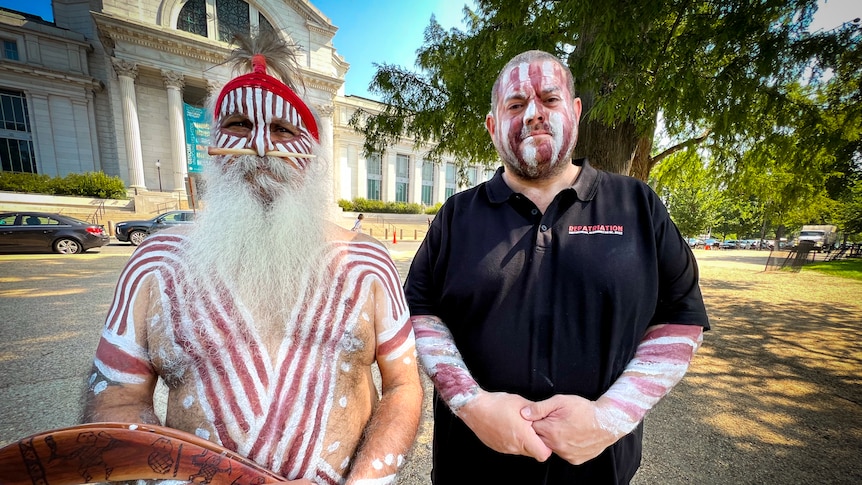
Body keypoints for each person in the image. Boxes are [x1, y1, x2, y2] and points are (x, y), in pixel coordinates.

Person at [83, 29, 422, 485]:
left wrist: (365, 483)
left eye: (284, 129)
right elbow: (118, 396)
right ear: (211, 143)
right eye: (239, 125)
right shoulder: (156, 262)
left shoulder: (367, 263)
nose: (261, 147)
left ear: (315, 153)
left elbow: (403, 386)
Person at [404, 50, 709, 483]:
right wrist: (471, 404)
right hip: (468, 470)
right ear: (492, 126)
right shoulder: (456, 216)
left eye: (549, 99)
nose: (533, 115)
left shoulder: (637, 205)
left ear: (575, 111)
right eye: (514, 105)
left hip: (599, 473)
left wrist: (610, 418)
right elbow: (420, 310)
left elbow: (681, 317)